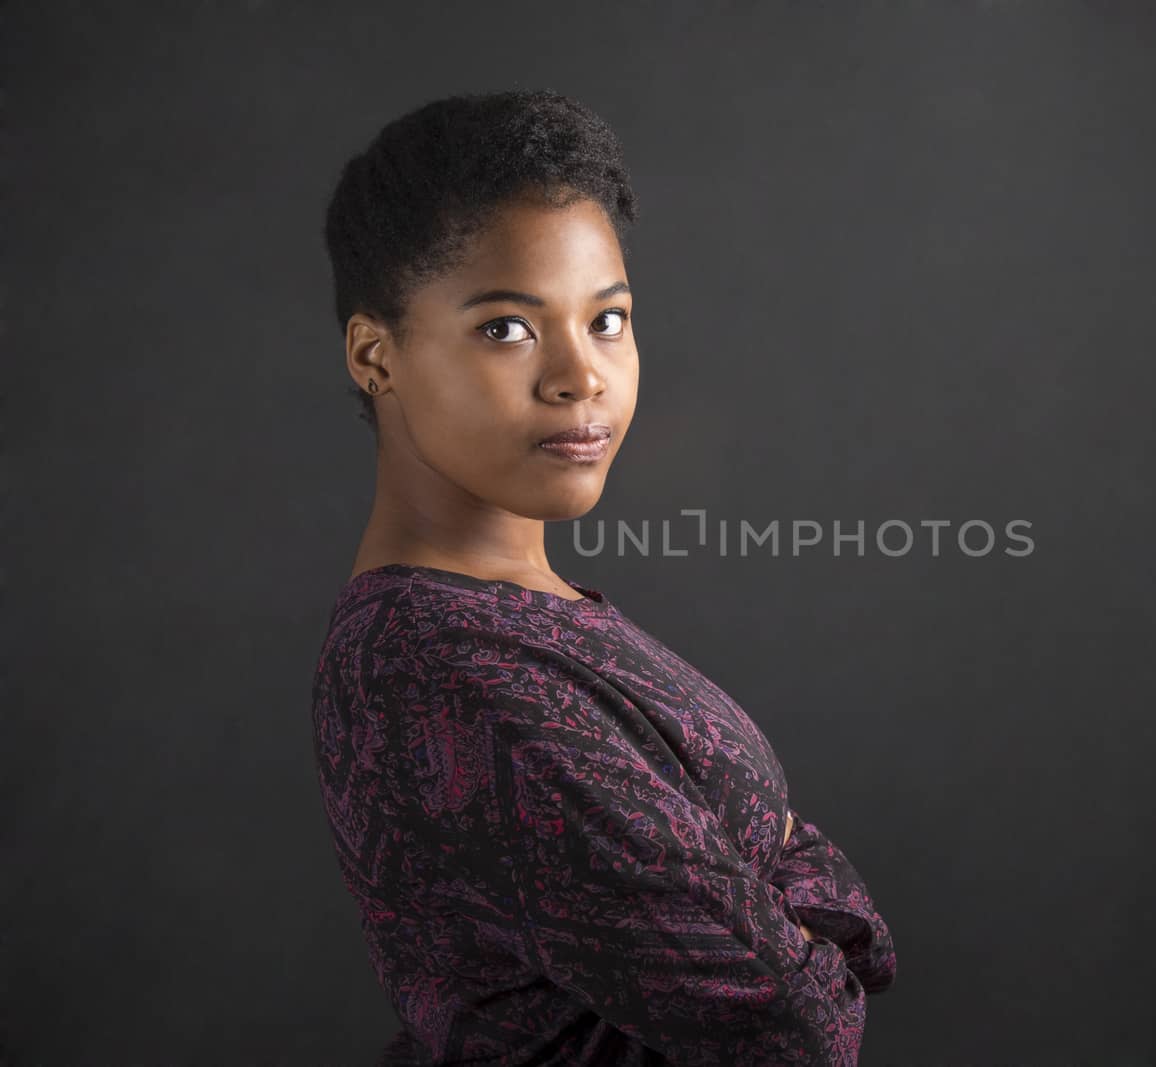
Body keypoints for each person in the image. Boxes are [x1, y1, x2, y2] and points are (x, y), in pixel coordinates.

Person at [309, 90, 896, 1066]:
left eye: (609, 318)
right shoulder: (456, 672)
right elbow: (797, 1028)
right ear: (377, 355)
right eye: (507, 327)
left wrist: (772, 890)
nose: (581, 375)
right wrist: (797, 880)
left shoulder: (525, 622)